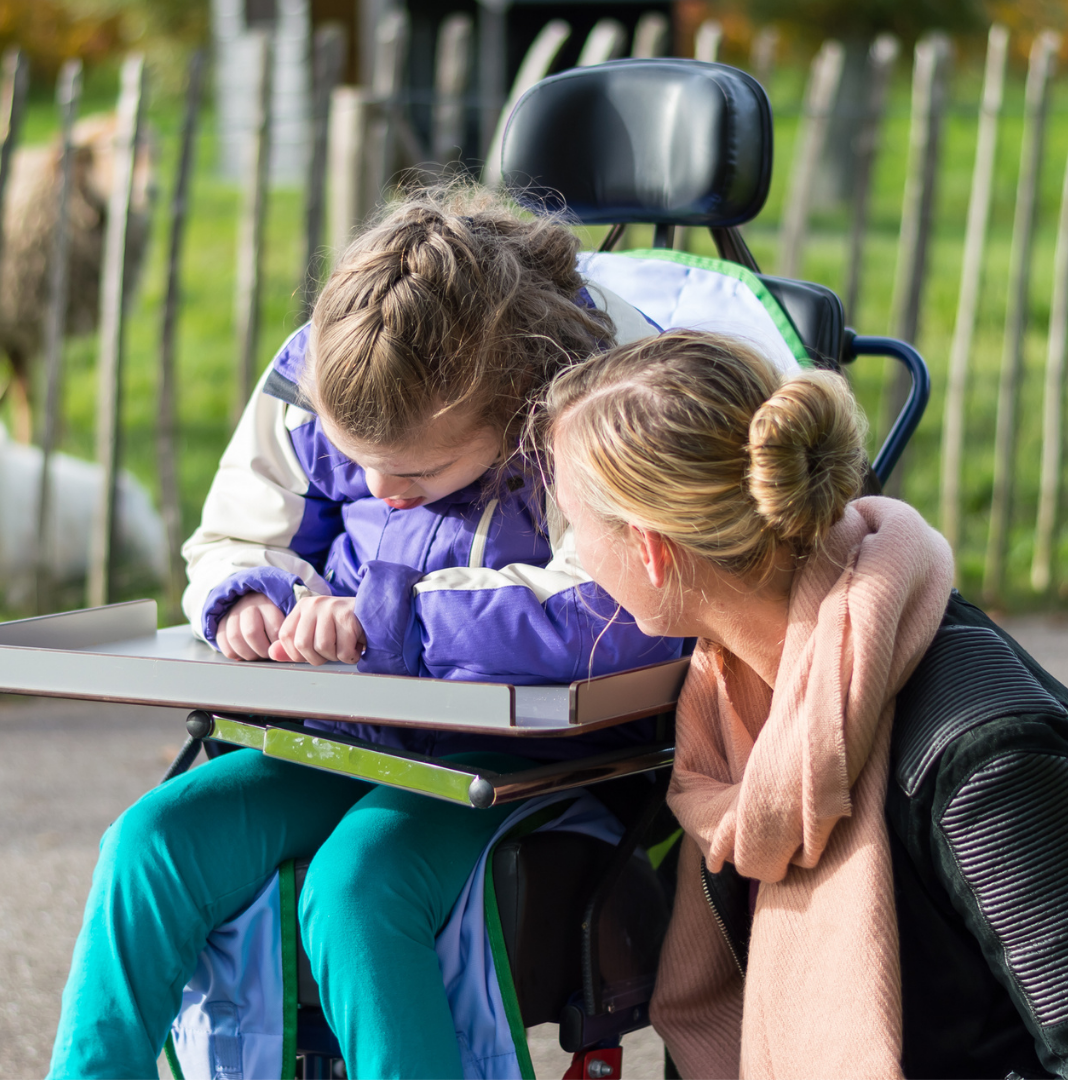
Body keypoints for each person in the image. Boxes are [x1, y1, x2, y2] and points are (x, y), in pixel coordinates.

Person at [47, 188, 687, 1080]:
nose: (380, 489)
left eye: (417, 469)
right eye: (357, 463)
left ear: (514, 410)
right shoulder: (341, 354)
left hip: (522, 763)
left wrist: (396, 620)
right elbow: (237, 529)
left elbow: (621, 606)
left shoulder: (597, 397)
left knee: (358, 889)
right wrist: (247, 597)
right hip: (344, 736)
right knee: (149, 844)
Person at [543, 327, 1068, 1080]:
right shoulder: (729, 708)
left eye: (571, 523)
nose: (566, 552)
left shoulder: (982, 760)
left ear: (650, 550)